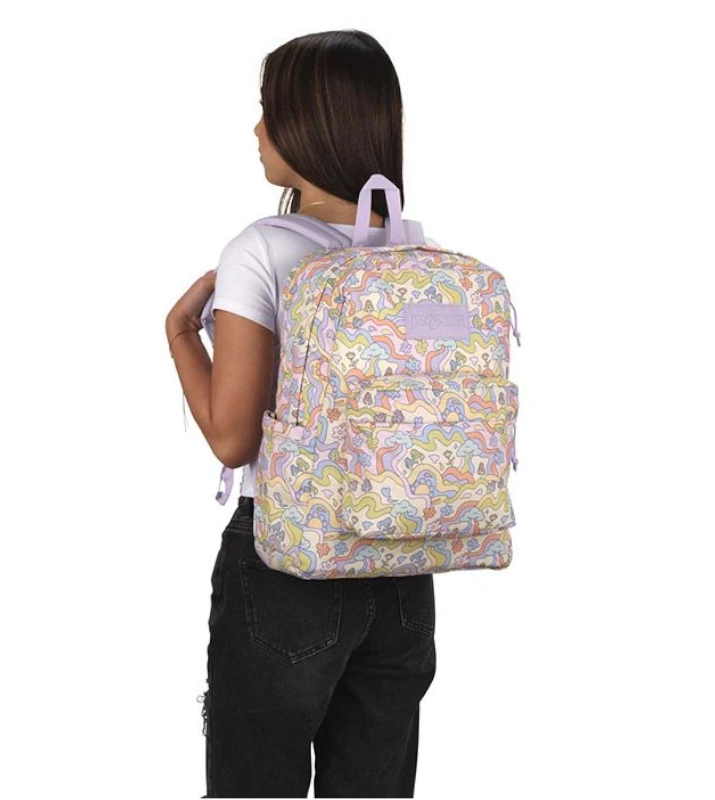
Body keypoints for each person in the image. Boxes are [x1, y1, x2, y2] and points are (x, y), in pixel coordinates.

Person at [166, 29, 438, 798]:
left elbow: (232, 438)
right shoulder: (415, 255)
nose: (257, 129)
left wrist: (180, 334)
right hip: (402, 562)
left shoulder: (264, 248)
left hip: (290, 556)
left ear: (310, 121)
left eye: (269, 109)